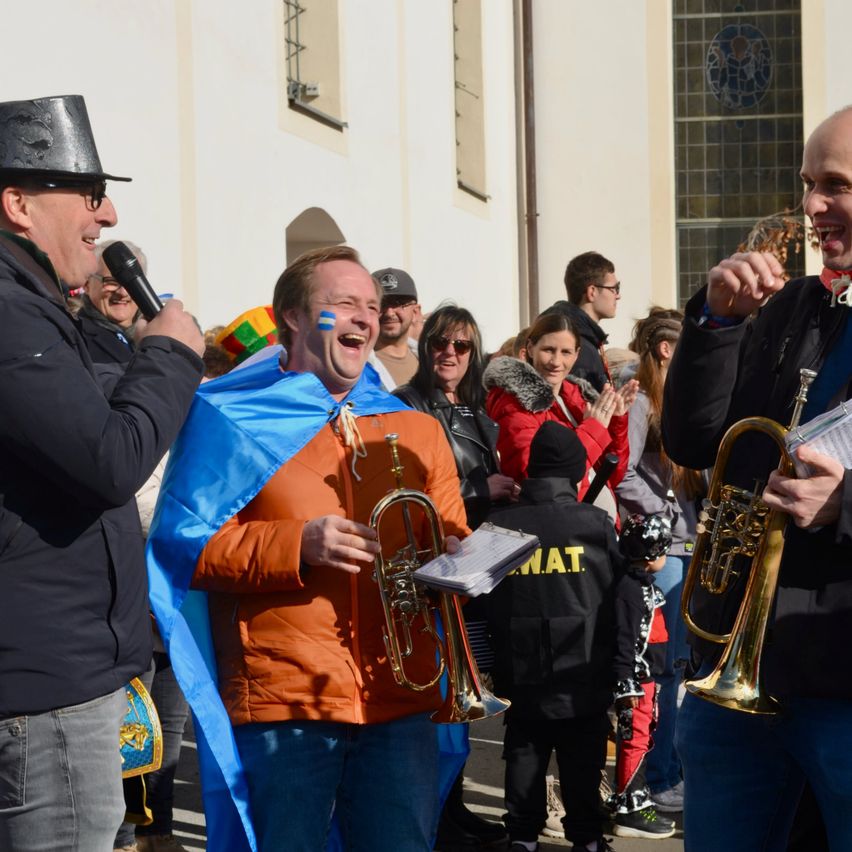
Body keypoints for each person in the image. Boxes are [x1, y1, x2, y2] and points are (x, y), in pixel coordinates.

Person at [147, 245, 471, 852]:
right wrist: (298, 544)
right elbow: (184, 548)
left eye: (372, 307)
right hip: (285, 701)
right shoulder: (227, 418)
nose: (365, 318)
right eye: (344, 303)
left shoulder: (415, 425)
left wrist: (467, 561)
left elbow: (448, 531)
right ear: (292, 317)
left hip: (400, 694)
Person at [0, 94, 204, 852]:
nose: (108, 214)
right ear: (18, 203)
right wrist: (171, 352)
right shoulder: (11, 312)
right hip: (45, 690)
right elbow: (110, 460)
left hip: (59, 674)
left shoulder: (31, 303)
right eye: (87, 194)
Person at [662, 105, 852, 851]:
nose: (810, 207)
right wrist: (716, 324)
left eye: (834, 185)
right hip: (740, 671)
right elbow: (695, 437)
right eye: (807, 184)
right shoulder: (793, 307)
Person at [394, 304, 516, 850]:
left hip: (476, 564)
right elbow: (405, 496)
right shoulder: (403, 406)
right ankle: (434, 816)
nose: (449, 354)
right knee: (438, 700)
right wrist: (479, 492)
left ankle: (454, 806)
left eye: (461, 346)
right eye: (440, 343)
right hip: (429, 567)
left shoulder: (480, 410)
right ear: (426, 348)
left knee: (463, 697)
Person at [484, 422, 622, 852]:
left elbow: (483, 598)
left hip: (519, 668)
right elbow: (619, 595)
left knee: (525, 751)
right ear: (577, 470)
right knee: (583, 758)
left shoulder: (498, 524)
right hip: (584, 666)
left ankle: (522, 836)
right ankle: (587, 838)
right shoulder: (595, 522)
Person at [615, 308, 703, 815]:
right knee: (664, 672)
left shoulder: (679, 397)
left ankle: (671, 768)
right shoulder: (641, 400)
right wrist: (664, 509)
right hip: (663, 550)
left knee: (681, 670)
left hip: (690, 544)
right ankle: (661, 777)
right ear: (667, 349)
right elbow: (621, 472)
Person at [484, 312, 637, 516]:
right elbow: (538, 480)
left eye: (566, 352)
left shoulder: (575, 397)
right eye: (548, 350)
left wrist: (616, 420)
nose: (556, 361)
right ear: (530, 348)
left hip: (594, 526)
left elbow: (611, 475)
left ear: (577, 354)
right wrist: (593, 430)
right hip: (562, 530)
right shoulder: (515, 403)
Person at [609, 514, 676, 841]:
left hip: (647, 680)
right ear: (652, 557)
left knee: (643, 737)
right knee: (633, 741)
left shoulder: (640, 585)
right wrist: (627, 683)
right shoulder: (629, 591)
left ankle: (636, 797)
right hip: (636, 682)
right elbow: (625, 640)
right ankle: (629, 809)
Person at [540, 251, 622, 392]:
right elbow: (580, 409)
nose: (618, 296)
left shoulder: (579, 336)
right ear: (592, 292)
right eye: (614, 289)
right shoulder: (578, 346)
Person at [78, 240, 146, 364]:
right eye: (111, 282)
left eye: (133, 283)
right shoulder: (78, 339)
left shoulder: (155, 334)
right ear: (87, 284)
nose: (123, 292)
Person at [371, 266, 421, 388]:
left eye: (398, 304)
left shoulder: (431, 363)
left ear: (415, 312)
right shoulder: (355, 367)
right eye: (382, 304)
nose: (389, 313)